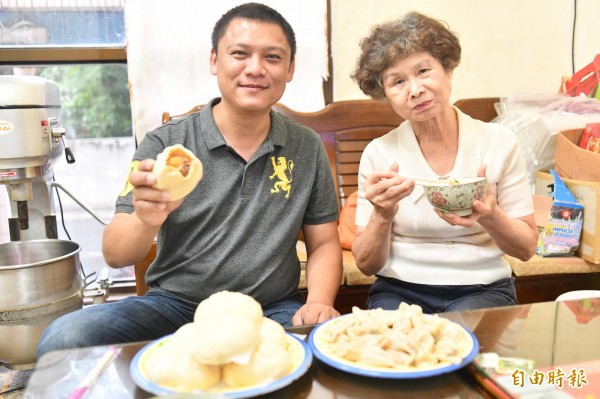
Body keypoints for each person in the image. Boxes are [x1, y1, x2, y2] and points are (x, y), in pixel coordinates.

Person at [37, 2, 342, 357]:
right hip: (176, 306)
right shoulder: (166, 144)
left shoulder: (305, 146)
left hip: (272, 307)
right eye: (240, 54)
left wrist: (319, 301)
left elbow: (323, 243)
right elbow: (115, 253)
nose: (255, 69)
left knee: (313, 354)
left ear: (290, 69)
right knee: (63, 337)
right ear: (214, 60)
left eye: (272, 58)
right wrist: (145, 218)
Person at [350, 11, 538, 314]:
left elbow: (527, 248)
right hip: (398, 289)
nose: (415, 90)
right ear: (384, 92)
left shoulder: (498, 142)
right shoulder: (380, 153)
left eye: (423, 71)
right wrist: (382, 214)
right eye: (397, 81)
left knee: (463, 345)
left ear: (446, 68)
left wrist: (490, 215)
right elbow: (366, 264)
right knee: (393, 352)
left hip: (484, 288)